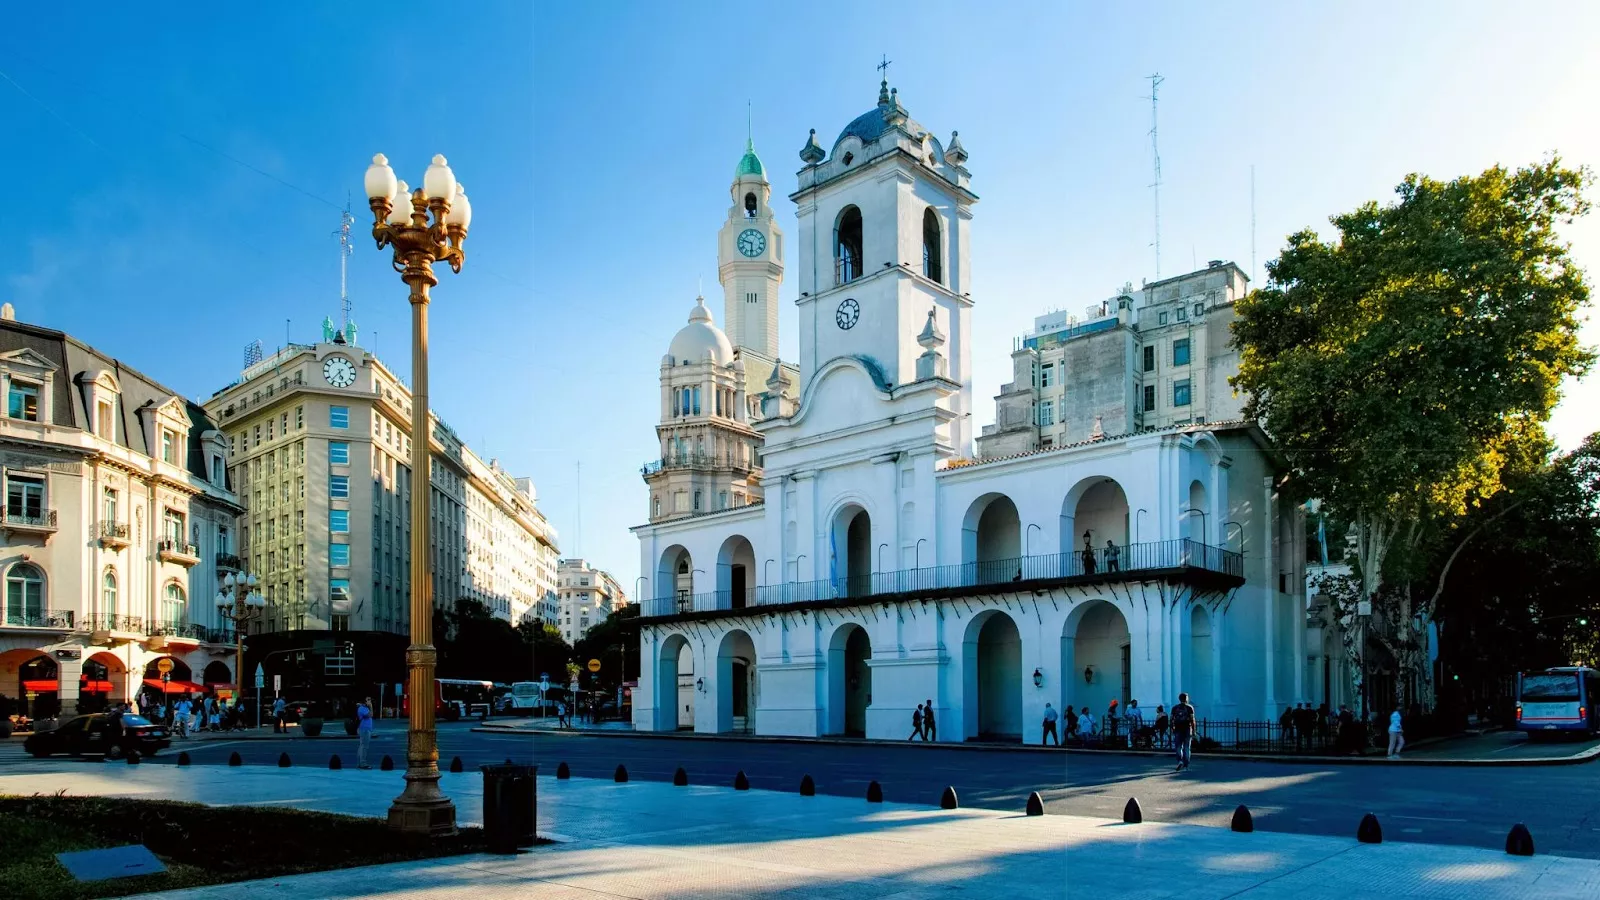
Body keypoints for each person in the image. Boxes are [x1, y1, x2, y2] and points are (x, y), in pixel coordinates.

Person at [1171, 691, 1196, 771]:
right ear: (1186, 699)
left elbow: (1171, 719)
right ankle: (1186, 765)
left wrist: (1172, 728)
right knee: (1187, 747)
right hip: (1187, 729)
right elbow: (1192, 720)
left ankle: (1180, 761)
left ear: (1179, 699)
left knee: (1178, 746)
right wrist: (1194, 730)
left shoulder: (1174, 708)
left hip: (1178, 728)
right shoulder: (1190, 708)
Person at [356, 697, 375, 769]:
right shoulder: (361, 708)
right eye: (368, 700)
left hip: (366, 729)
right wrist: (371, 706)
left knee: (362, 745)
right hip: (364, 729)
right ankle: (363, 763)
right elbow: (370, 715)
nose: (369, 701)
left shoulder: (364, 708)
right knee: (364, 746)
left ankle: (360, 762)